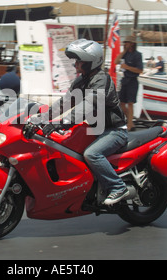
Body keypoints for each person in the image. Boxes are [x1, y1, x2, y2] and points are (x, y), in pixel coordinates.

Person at [37, 39, 130, 205]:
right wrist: (41, 118)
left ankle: (118, 187)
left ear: (90, 62)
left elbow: (89, 105)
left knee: (92, 154)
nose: (75, 65)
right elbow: (65, 103)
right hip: (95, 130)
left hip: (114, 131)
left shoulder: (102, 80)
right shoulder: (82, 81)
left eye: (79, 61)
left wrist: (63, 121)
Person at [114, 35, 143, 131]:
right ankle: (130, 121)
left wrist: (127, 67)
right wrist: (124, 51)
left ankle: (130, 123)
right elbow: (116, 61)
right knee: (121, 103)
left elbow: (139, 70)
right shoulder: (125, 54)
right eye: (124, 42)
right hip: (125, 80)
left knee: (130, 103)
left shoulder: (137, 55)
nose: (125, 44)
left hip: (132, 81)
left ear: (132, 44)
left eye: (127, 42)